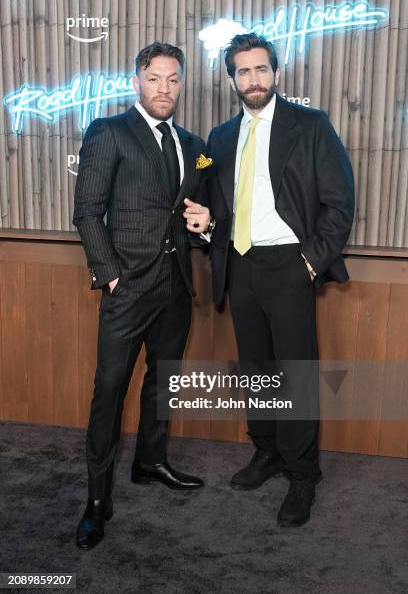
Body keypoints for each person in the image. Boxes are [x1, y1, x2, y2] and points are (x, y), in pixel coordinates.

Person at [206, 33, 354, 527]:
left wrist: (309, 262)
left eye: (262, 69)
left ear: (275, 73)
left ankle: (303, 472)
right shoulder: (221, 138)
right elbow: (219, 204)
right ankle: (267, 451)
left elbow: (339, 202)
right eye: (244, 71)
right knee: (257, 368)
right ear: (232, 79)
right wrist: (206, 223)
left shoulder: (310, 126)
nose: (254, 79)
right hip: (240, 263)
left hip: (290, 264)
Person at [73, 41, 211, 549]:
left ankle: (150, 461)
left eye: (173, 79)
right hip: (127, 287)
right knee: (109, 392)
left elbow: (191, 215)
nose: (165, 88)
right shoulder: (109, 132)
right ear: (137, 80)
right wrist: (110, 275)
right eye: (155, 78)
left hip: (176, 286)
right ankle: (96, 498)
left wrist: (206, 225)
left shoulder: (192, 142)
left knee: (163, 383)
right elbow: (87, 211)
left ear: (181, 84)